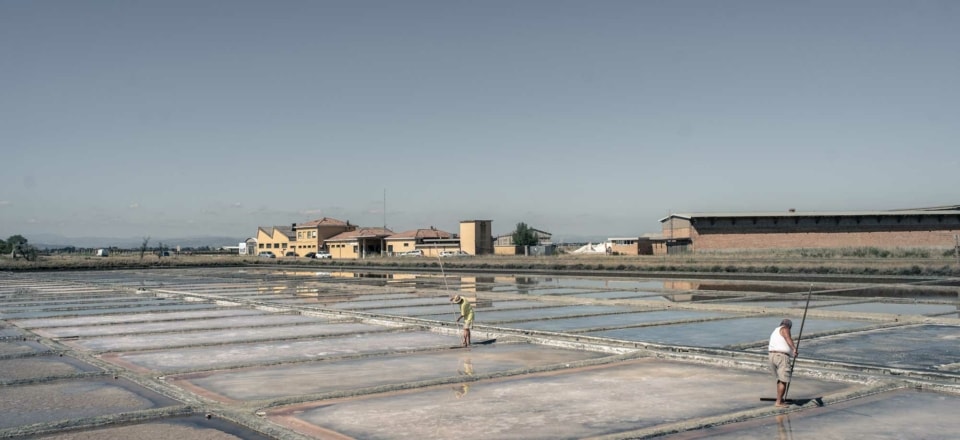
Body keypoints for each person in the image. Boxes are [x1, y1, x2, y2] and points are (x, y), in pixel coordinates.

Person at [768, 318, 798, 408]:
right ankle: (778, 402)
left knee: (780, 379)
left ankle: (779, 399)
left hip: (772, 356)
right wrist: (794, 349)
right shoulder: (785, 329)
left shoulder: (775, 330)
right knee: (784, 380)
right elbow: (787, 338)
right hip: (781, 357)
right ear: (789, 326)